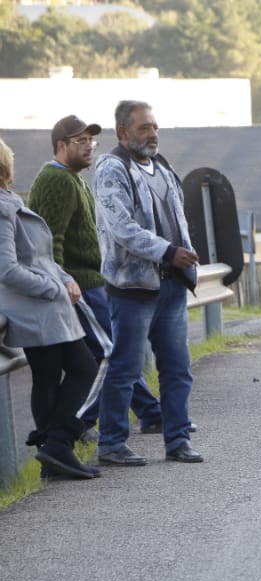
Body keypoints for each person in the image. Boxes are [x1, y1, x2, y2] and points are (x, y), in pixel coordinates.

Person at [27, 114, 165, 442]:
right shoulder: (57, 180)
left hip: (93, 283)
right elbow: (49, 242)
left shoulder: (73, 178)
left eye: (91, 140)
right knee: (112, 353)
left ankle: (150, 412)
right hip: (77, 286)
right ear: (61, 146)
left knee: (116, 351)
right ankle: (75, 426)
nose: (89, 147)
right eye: (81, 141)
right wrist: (61, 285)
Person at [93, 100, 202, 465]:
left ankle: (178, 440)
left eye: (154, 127)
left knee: (177, 369)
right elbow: (122, 228)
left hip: (172, 285)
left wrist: (182, 257)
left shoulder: (162, 166)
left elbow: (178, 219)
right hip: (133, 289)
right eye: (144, 128)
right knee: (126, 368)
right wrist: (168, 252)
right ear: (123, 133)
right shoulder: (112, 169)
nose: (153, 134)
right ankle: (111, 444)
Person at [0, 137, 100, 480]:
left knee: (53, 378)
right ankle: (58, 446)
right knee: (79, 369)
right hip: (35, 308)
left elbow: (40, 258)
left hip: (43, 306)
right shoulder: (2, 207)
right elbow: (6, 269)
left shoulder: (9, 201)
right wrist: (54, 288)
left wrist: (65, 277)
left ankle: (54, 456)